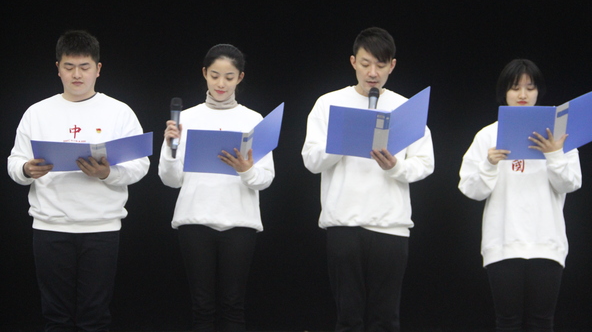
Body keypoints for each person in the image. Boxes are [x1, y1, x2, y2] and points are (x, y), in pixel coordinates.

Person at [7, 30, 150, 332]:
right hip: (50, 226)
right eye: (69, 67)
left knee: (94, 316)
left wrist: (107, 173)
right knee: (55, 316)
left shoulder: (119, 112)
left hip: (101, 227)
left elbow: (140, 165)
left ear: (98, 69)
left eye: (84, 67)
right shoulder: (37, 112)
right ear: (57, 68)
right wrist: (26, 170)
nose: (76, 75)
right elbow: (15, 161)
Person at [301, 27, 435, 332]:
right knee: (348, 317)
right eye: (365, 64)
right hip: (343, 223)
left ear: (392, 66)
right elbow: (310, 160)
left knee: (385, 318)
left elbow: (425, 164)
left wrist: (395, 167)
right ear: (353, 62)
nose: (372, 72)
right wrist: (341, 142)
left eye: (380, 65)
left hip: (391, 225)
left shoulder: (405, 108)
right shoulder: (328, 103)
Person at [458, 59, 582, 331]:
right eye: (515, 88)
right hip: (502, 242)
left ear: (539, 92)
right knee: (508, 322)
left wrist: (554, 154)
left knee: (542, 322)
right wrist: (489, 164)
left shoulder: (559, 137)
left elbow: (571, 184)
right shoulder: (487, 136)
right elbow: (470, 189)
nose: (523, 94)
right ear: (504, 92)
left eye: (530, 87)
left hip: (546, 242)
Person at [158, 44, 275, 332]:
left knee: (233, 305)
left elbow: (266, 178)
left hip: (240, 221)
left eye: (229, 77)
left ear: (240, 78)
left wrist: (246, 169)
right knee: (202, 307)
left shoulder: (253, 119)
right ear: (204, 74)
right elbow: (170, 180)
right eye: (214, 75)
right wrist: (171, 148)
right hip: (195, 220)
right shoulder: (185, 119)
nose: (221, 83)